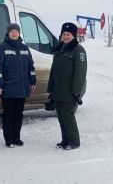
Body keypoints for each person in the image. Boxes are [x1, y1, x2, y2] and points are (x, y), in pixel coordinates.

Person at [0, 23, 36, 148]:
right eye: (12, 31)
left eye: (16, 31)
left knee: (19, 114)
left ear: (19, 33)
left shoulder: (24, 48)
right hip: (8, 88)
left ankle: (17, 137)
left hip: (22, 88)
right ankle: (9, 139)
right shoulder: (2, 47)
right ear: (8, 33)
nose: (14, 33)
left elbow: (31, 67)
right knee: (9, 114)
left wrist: (33, 81)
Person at [47, 22, 87, 150]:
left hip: (70, 91)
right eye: (64, 34)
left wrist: (76, 91)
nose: (66, 36)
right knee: (61, 116)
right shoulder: (60, 49)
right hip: (58, 90)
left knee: (68, 116)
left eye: (68, 34)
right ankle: (65, 140)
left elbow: (80, 73)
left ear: (74, 36)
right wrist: (51, 89)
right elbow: (53, 71)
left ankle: (74, 141)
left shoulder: (78, 50)